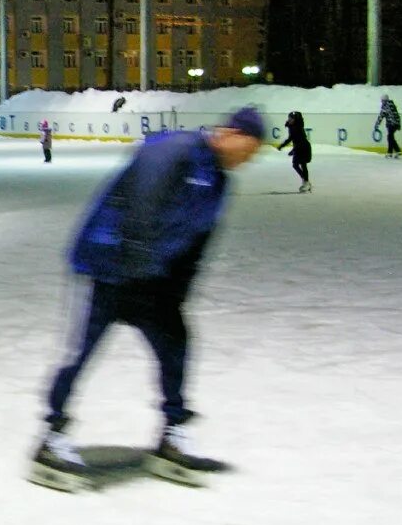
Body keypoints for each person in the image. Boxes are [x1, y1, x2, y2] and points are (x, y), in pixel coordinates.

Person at [29, 106, 268, 492]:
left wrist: (177, 290)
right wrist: (136, 266)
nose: (249, 158)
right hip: (108, 267)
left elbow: (198, 243)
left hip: (151, 280)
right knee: (81, 352)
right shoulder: (175, 149)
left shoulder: (219, 182)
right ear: (230, 133)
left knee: (176, 344)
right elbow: (142, 205)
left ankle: (172, 434)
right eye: (250, 148)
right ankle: (51, 438)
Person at [278, 110, 313, 192]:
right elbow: (293, 139)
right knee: (296, 165)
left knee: (301, 164)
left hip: (303, 147)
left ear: (296, 119)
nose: (289, 119)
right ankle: (306, 181)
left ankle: (306, 182)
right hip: (299, 147)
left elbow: (293, 139)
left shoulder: (297, 127)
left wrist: (284, 147)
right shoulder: (292, 126)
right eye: (289, 118)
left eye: (291, 118)